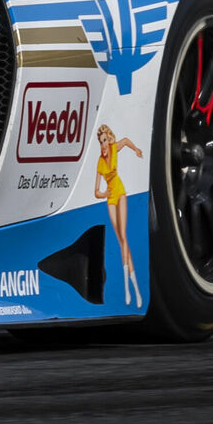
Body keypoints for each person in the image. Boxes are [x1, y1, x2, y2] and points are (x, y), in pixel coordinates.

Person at [95, 120, 145, 308]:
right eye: (100, 142)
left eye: (105, 140)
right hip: (110, 198)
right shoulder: (100, 162)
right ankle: (132, 290)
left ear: (109, 141)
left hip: (120, 192)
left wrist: (136, 149)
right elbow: (96, 191)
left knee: (124, 236)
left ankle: (129, 287)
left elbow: (125, 140)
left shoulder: (115, 149)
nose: (103, 145)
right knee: (120, 239)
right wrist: (102, 194)